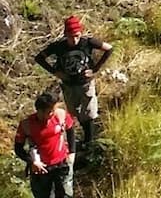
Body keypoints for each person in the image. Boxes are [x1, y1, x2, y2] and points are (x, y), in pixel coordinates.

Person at [33, 16, 110, 146]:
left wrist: (95, 69)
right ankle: (78, 141)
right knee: (73, 113)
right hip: (69, 84)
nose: (74, 40)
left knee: (89, 112)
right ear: (65, 35)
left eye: (77, 36)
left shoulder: (87, 42)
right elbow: (39, 58)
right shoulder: (59, 46)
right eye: (70, 36)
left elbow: (109, 48)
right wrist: (55, 72)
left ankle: (90, 141)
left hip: (85, 83)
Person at [13, 93, 77, 198]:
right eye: (50, 111)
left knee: (65, 195)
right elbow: (18, 148)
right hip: (41, 168)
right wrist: (32, 162)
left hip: (62, 164)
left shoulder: (60, 115)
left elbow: (70, 130)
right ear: (40, 111)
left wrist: (72, 152)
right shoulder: (26, 125)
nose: (53, 113)